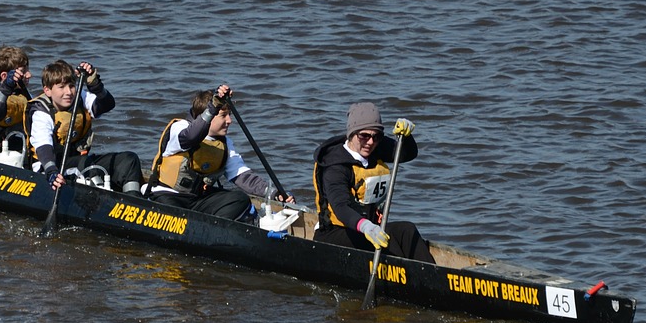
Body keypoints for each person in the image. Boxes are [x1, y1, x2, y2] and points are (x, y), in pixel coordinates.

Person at [149, 84, 294, 221]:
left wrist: (275, 194)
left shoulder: (224, 144)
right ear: (208, 115)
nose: (229, 120)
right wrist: (213, 107)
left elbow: (244, 178)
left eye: (229, 114)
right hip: (167, 196)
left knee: (240, 199)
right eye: (223, 115)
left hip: (197, 200)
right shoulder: (180, 128)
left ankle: (208, 230)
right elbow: (191, 136)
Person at [312, 102, 434, 263]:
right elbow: (340, 207)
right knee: (387, 245)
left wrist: (407, 137)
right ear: (352, 134)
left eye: (376, 136)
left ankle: (434, 273)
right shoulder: (335, 166)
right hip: (335, 233)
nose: (370, 142)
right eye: (364, 136)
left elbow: (407, 154)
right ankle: (408, 277)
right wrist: (366, 227)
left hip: (371, 229)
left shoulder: (375, 148)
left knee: (407, 230)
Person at [24, 59, 143, 194]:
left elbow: (107, 104)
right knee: (90, 168)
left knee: (129, 160)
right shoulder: (41, 112)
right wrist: (51, 172)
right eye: (61, 87)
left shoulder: (79, 96)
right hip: (50, 168)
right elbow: (43, 147)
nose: (68, 92)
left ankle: (133, 201)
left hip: (79, 162)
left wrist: (94, 84)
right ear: (48, 90)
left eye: (71, 85)